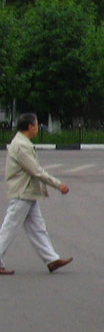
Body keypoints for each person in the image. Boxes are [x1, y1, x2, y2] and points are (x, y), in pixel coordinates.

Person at [0, 113, 73, 275]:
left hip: (28, 193)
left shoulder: (23, 142)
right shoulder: (21, 146)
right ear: (30, 127)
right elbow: (36, 171)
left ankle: (51, 260)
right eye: (37, 125)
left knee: (38, 228)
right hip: (22, 192)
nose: (38, 128)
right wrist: (58, 184)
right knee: (9, 228)